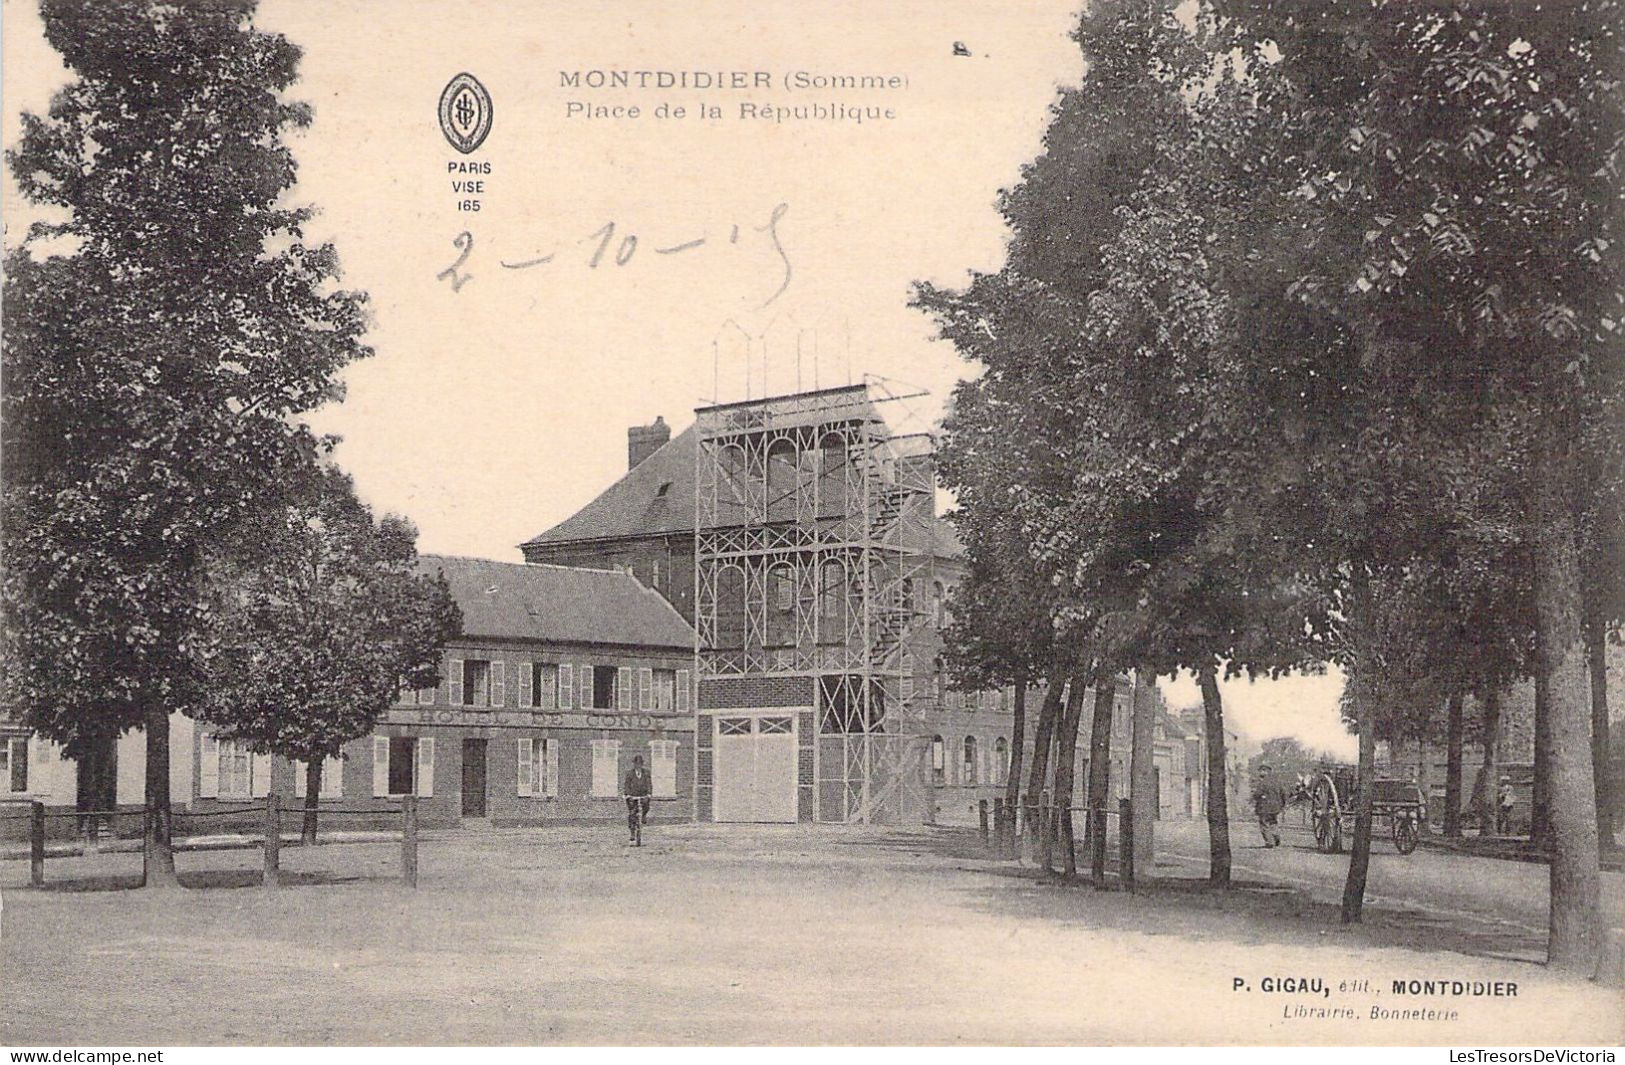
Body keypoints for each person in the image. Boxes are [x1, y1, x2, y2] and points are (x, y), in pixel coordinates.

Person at [1251, 763, 1287, 847]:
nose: (1260, 773)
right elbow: (1284, 793)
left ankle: (1269, 842)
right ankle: (1276, 836)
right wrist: (1282, 805)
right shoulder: (1277, 781)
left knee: (1264, 824)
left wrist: (1256, 796)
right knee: (1273, 822)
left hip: (1264, 807)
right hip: (1275, 808)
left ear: (1265, 771)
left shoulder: (1262, 782)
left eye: (1261, 771)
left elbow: (1257, 794)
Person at [624, 754, 653, 844]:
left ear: (642, 764)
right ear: (634, 764)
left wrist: (649, 794)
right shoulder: (630, 774)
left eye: (640, 764)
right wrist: (627, 794)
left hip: (643, 794)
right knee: (632, 813)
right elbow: (627, 785)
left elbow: (649, 784)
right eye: (636, 764)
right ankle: (632, 832)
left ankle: (643, 815)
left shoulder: (646, 773)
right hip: (632, 795)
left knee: (646, 806)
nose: (638, 765)